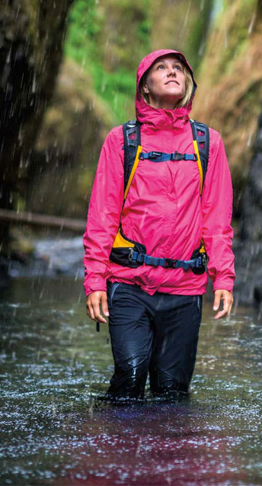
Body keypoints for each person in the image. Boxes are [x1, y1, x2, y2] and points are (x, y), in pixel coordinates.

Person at [84, 49, 234, 399]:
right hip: (129, 284)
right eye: (161, 68)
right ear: (145, 86)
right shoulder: (121, 141)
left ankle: (166, 454)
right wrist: (95, 280)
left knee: (172, 394)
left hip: (185, 289)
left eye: (179, 69)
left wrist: (223, 276)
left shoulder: (208, 142)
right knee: (130, 377)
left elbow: (217, 219)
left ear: (187, 85)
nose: (172, 73)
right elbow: (102, 217)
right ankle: (117, 448)